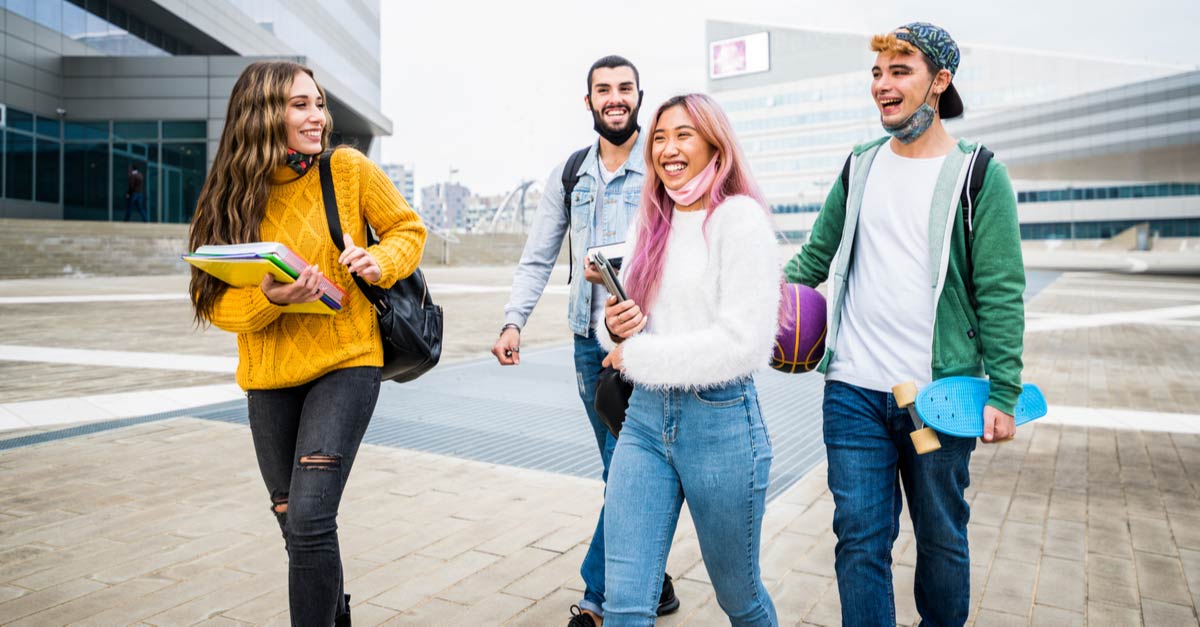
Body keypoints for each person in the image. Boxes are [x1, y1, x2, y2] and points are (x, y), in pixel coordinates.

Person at [783, 22, 1025, 626]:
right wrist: (750, 303)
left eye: (900, 70)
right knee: (859, 541)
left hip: (937, 396)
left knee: (941, 538)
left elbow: (1000, 290)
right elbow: (814, 256)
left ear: (939, 82)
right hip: (854, 389)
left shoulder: (979, 174)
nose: (882, 85)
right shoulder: (861, 165)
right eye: (876, 72)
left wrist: (1005, 391)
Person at [187, 61, 426, 626]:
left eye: (319, 103)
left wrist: (378, 261)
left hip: (347, 361)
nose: (318, 116)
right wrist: (272, 298)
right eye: (301, 104)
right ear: (263, 112)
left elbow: (408, 230)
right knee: (295, 523)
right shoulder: (228, 194)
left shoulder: (346, 169)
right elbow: (213, 304)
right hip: (269, 377)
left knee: (312, 520)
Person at [490, 55, 679, 626]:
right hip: (586, 345)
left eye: (625, 88)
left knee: (631, 471)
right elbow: (539, 255)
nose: (615, 98)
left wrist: (627, 268)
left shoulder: (663, 163)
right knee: (615, 469)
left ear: (639, 96)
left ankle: (598, 600)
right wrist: (512, 320)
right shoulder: (571, 173)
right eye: (604, 90)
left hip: (649, 343)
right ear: (589, 100)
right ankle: (653, 579)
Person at [600, 93, 780, 626]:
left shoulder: (739, 220)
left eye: (683, 134)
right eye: (658, 137)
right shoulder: (649, 223)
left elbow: (743, 343)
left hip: (722, 424)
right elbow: (625, 326)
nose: (668, 148)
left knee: (739, 599)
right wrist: (615, 325)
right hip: (644, 424)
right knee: (625, 606)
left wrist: (636, 355)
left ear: (713, 143)